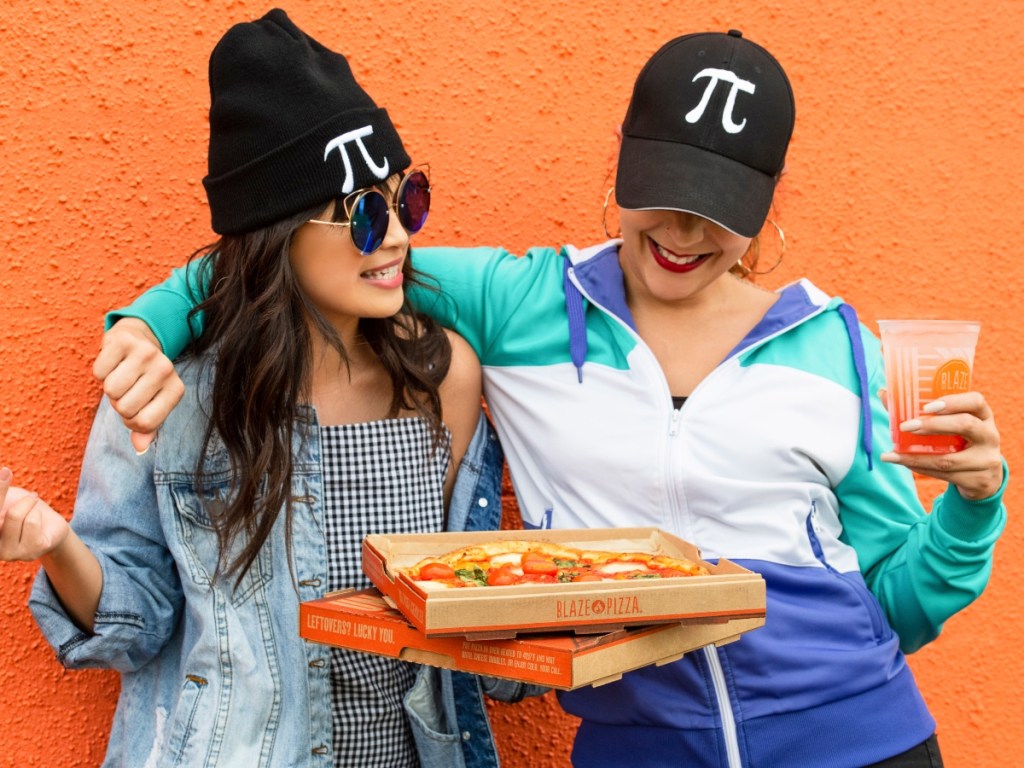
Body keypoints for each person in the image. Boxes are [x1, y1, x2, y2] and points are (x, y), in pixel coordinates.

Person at [94, 29, 1007, 768]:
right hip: (639, 748)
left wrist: (972, 508)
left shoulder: (841, 348)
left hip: (857, 740)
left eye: (719, 208)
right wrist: (142, 325)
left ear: (766, 202)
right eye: (665, 192)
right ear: (621, 162)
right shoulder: (519, 301)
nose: (684, 233)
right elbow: (281, 255)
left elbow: (895, 604)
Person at [1, 9, 518, 767]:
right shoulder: (174, 397)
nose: (401, 237)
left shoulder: (442, 378)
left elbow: (459, 608)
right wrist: (54, 546)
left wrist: (554, 607)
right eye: (365, 216)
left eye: (405, 200)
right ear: (278, 234)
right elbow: (134, 624)